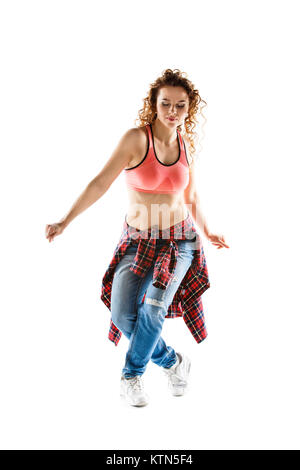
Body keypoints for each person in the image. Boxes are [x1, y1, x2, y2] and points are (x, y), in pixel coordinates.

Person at [45, 68, 229, 408]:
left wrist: (209, 230)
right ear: (154, 105)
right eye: (166, 104)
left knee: (153, 308)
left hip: (180, 242)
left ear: (190, 109)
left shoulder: (185, 144)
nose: (173, 112)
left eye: (180, 106)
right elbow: (100, 182)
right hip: (137, 241)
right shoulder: (136, 140)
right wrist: (64, 221)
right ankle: (173, 362)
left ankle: (131, 376)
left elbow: (192, 198)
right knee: (121, 314)